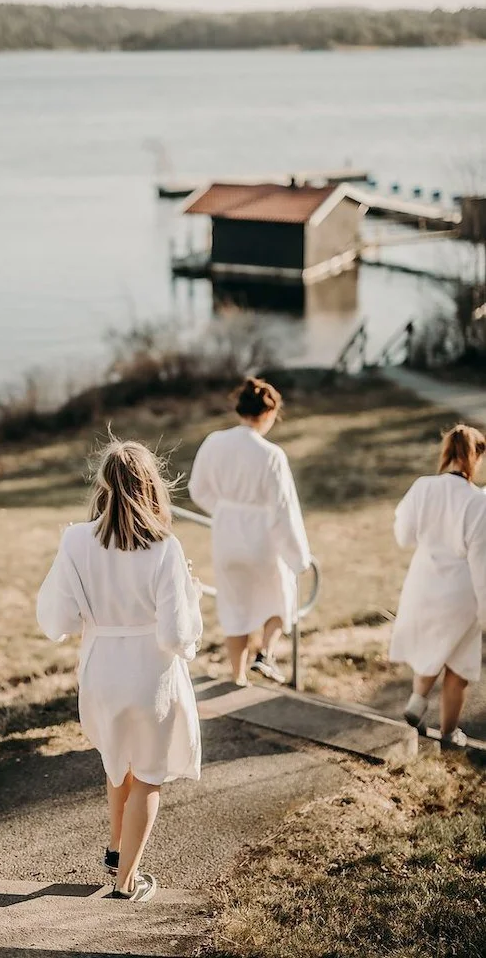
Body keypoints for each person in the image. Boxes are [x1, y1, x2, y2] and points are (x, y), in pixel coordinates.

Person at [36, 439, 202, 902]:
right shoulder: (166, 547)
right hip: (150, 674)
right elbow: (177, 634)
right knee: (148, 774)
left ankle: (115, 849)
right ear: (152, 486)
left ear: (103, 484)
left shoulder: (74, 540)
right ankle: (126, 882)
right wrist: (190, 592)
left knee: (116, 762)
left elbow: (59, 618)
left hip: (100, 670)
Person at [188, 376, 311, 686]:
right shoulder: (271, 455)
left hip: (226, 536)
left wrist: (224, 511)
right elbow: (283, 509)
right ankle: (265, 654)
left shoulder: (214, 442)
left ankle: (238, 676)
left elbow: (197, 489)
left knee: (234, 607)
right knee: (281, 595)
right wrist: (299, 557)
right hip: (261, 538)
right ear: (268, 413)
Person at [390, 424, 486, 747]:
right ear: (477, 457)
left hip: (424, 582)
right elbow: (481, 563)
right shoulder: (478, 502)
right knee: (459, 666)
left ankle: (417, 700)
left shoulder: (423, 487)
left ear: (447, 452)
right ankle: (448, 734)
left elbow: (404, 536)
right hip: (461, 592)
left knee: (431, 647)